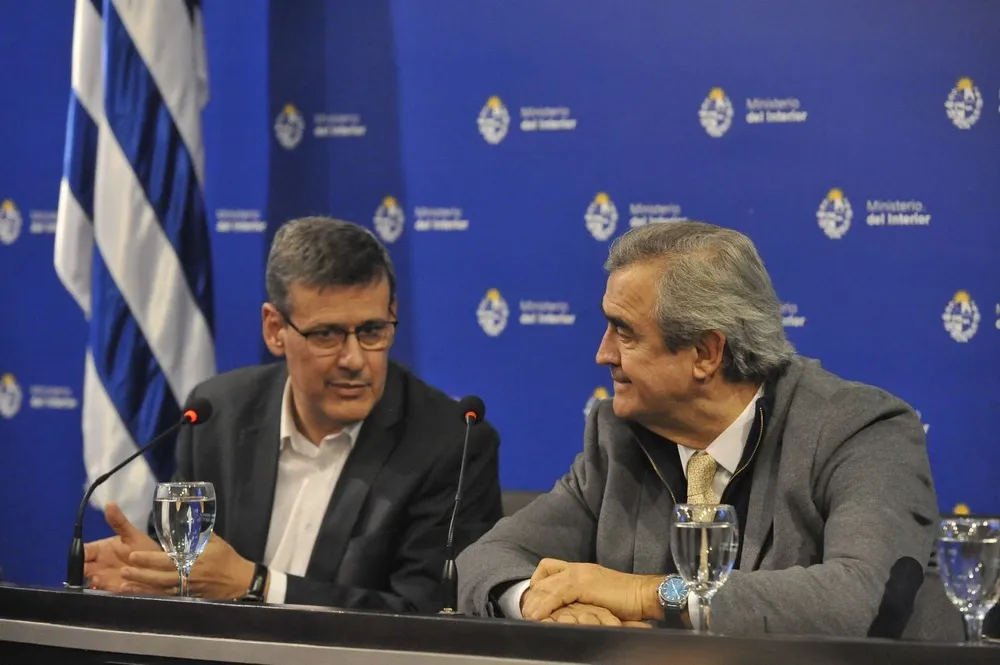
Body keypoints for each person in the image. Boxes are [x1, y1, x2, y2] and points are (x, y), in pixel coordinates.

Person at [457, 220, 959, 639]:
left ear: (705, 353)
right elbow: (489, 558)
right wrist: (541, 604)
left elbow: (863, 595)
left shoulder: (860, 431)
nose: (602, 354)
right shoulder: (617, 439)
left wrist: (646, 594)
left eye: (624, 331)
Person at [84, 216, 504, 612]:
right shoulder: (218, 415)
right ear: (274, 330)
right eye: (327, 335)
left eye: (373, 331)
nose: (355, 359)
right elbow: (186, 562)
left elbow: (427, 614)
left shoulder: (452, 445)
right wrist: (149, 569)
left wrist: (257, 585)